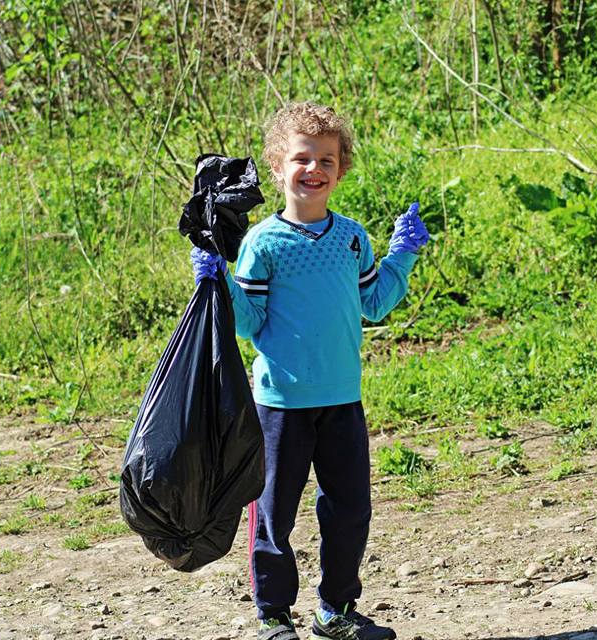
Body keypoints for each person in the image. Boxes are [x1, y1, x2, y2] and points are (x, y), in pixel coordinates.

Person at [191, 101, 429, 640]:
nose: (314, 169)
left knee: (350, 510)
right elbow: (250, 322)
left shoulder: (352, 237)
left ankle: (335, 611)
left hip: (342, 400)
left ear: (340, 170)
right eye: (302, 158)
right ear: (278, 167)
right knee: (273, 514)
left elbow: (374, 303)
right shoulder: (262, 242)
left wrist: (402, 255)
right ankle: (273, 615)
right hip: (280, 405)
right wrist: (219, 281)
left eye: (326, 160)